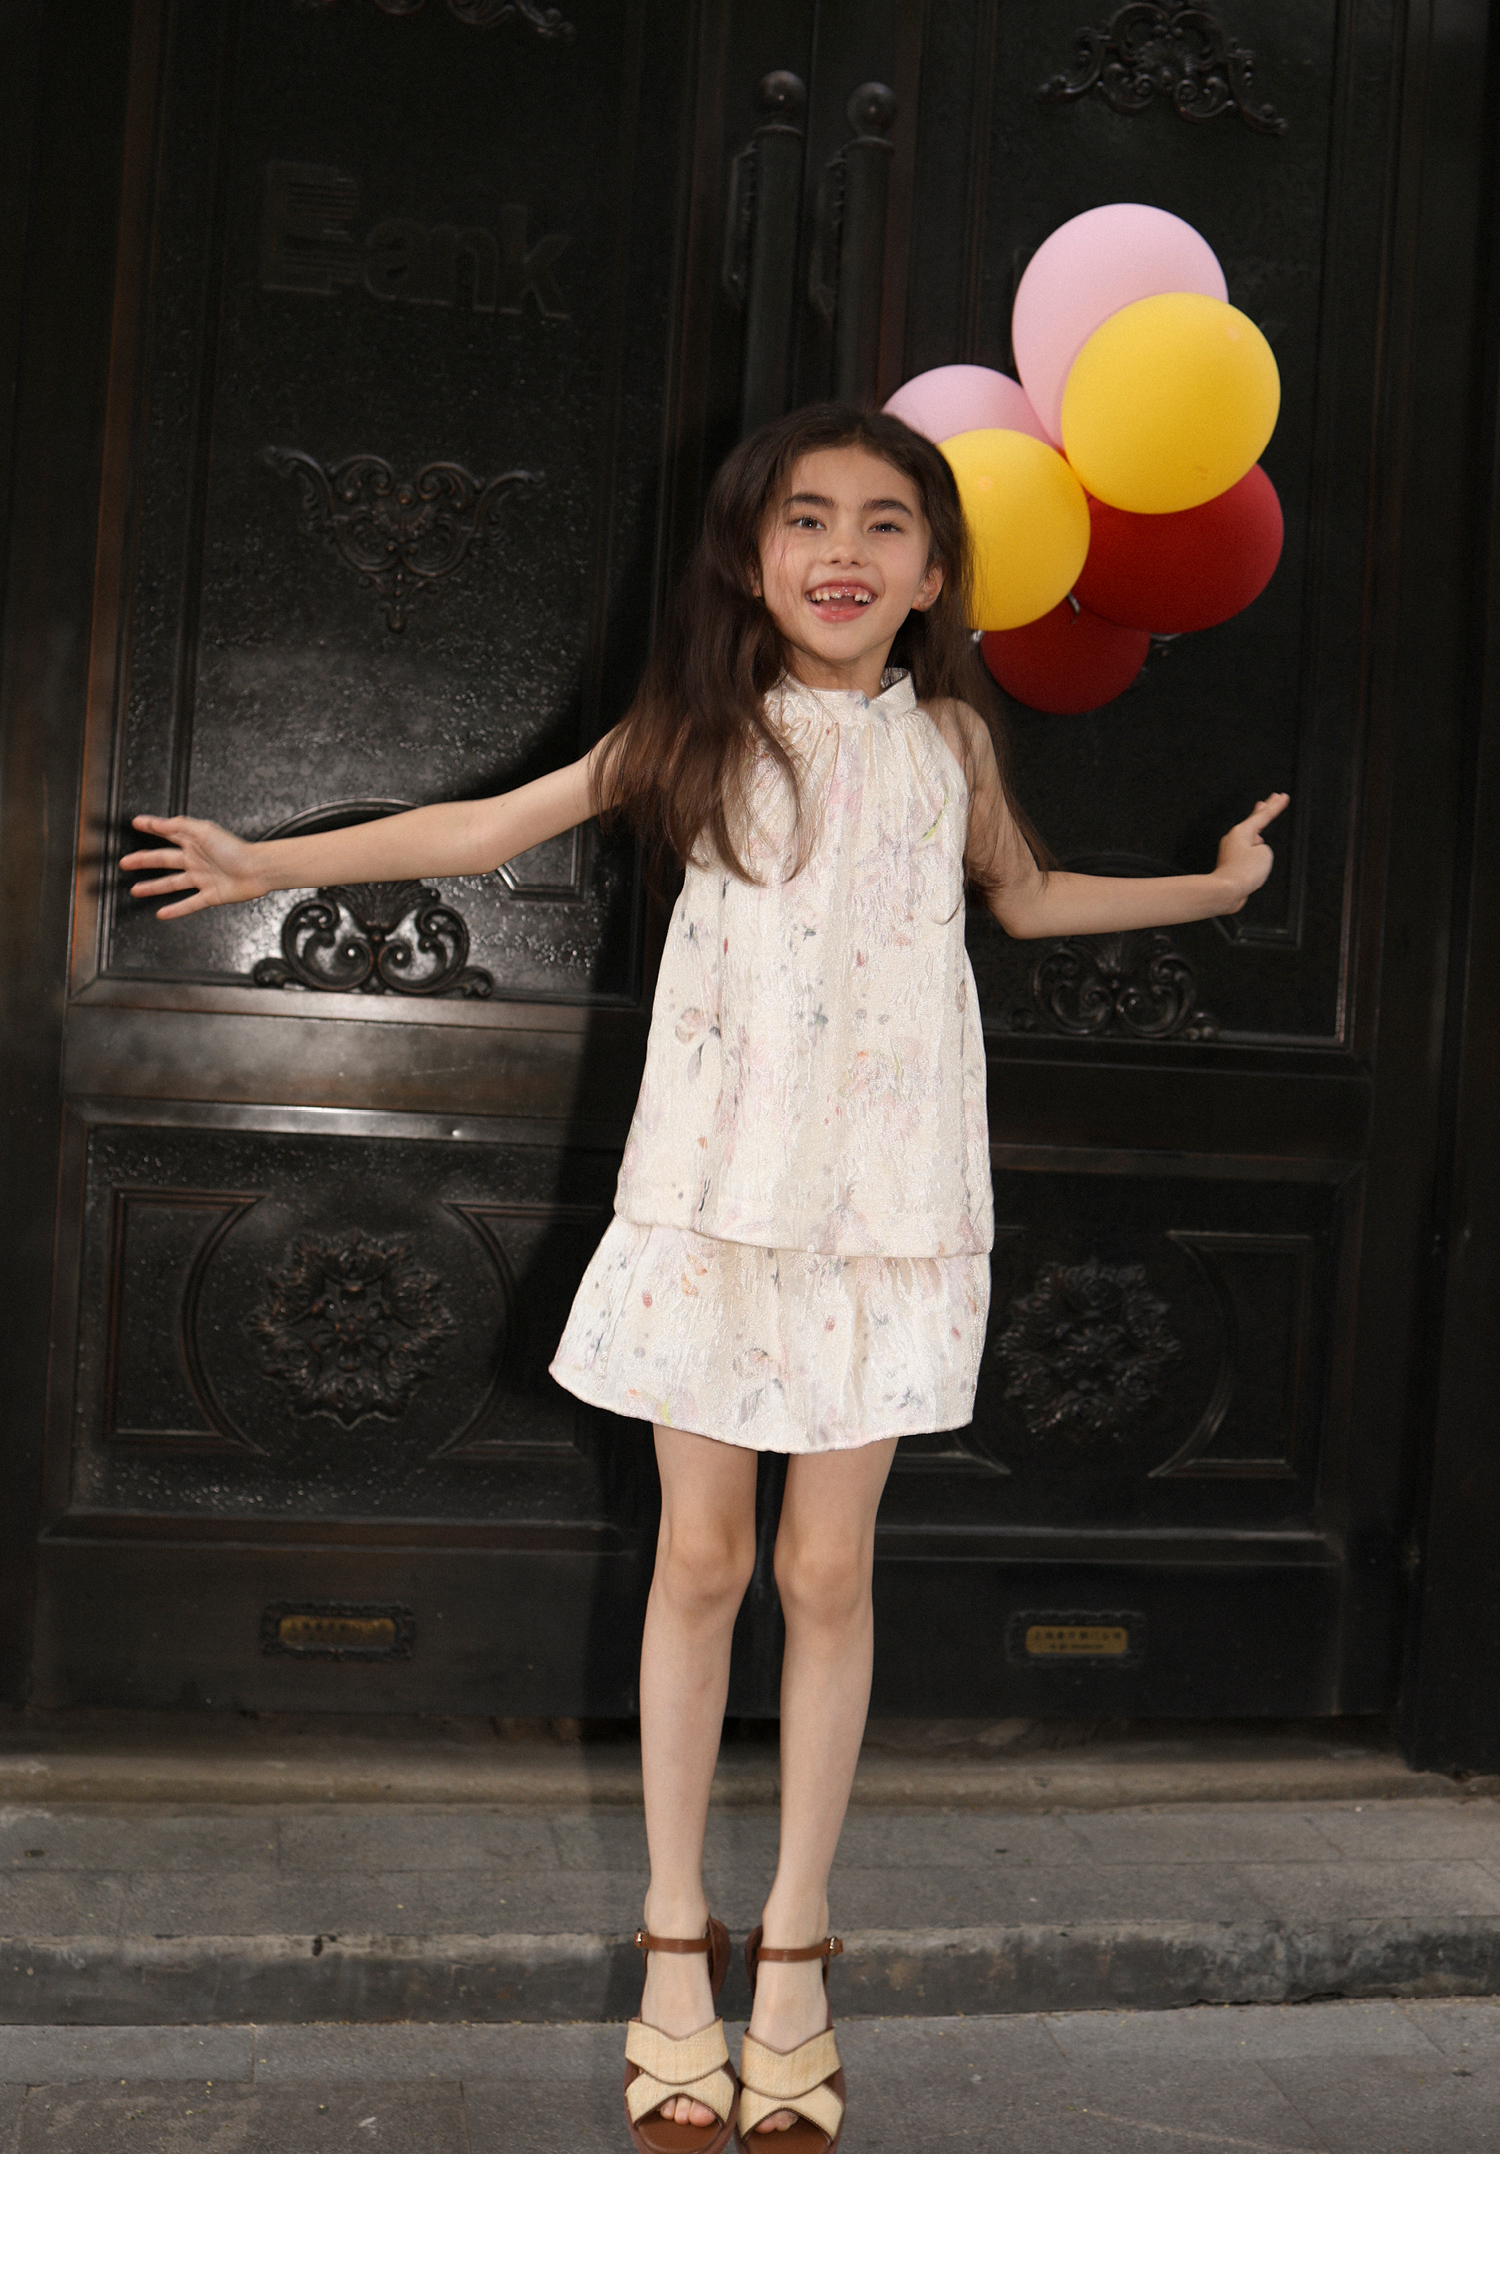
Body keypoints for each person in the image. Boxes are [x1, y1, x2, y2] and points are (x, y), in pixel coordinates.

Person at [121, 402, 1288, 2153]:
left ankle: (796, 1946)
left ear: (936, 574)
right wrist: (263, 862)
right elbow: (485, 830)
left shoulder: (952, 743)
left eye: (885, 523)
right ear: (752, 557)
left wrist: (1214, 888)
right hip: (715, 1209)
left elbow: (1031, 902)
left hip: (887, 1219)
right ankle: (678, 1939)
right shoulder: (696, 726)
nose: (843, 549)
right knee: (702, 1559)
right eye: (807, 518)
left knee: (828, 1573)